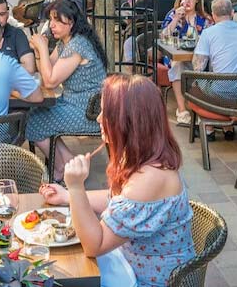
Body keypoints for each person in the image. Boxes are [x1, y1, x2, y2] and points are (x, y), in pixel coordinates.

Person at [39, 74, 194, 287]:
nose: (99, 118)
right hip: (127, 264)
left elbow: (95, 244)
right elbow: (117, 200)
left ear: (129, 120)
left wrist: (75, 188)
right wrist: (66, 196)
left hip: (147, 281)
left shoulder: (150, 178)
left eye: (107, 113)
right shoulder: (141, 157)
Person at [26, 0, 108, 179]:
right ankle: (67, 163)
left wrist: (41, 48)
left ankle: (61, 166)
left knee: (33, 122)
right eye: (51, 20)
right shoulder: (66, 42)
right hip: (73, 102)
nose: (52, 25)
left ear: (71, 22)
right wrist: (41, 53)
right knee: (34, 114)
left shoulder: (77, 45)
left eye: (57, 20)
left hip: (89, 111)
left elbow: (50, 81)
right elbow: (49, 68)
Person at [193, 0, 237, 141]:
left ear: (212, 15)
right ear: (232, 12)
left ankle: (209, 128)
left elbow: (197, 67)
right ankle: (227, 127)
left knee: (195, 85)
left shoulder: (208, 33)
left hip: (222, 92)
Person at [161, 0, 211, 125]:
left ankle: (203, 109)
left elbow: (212, 39)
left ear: (197, 0)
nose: (187, 1)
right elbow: (164, 37)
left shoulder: (203, 18)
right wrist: (176, 18)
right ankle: (182, 110)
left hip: (199, 58)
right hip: (177, 57)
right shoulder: (173, 14)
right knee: (178, 65)